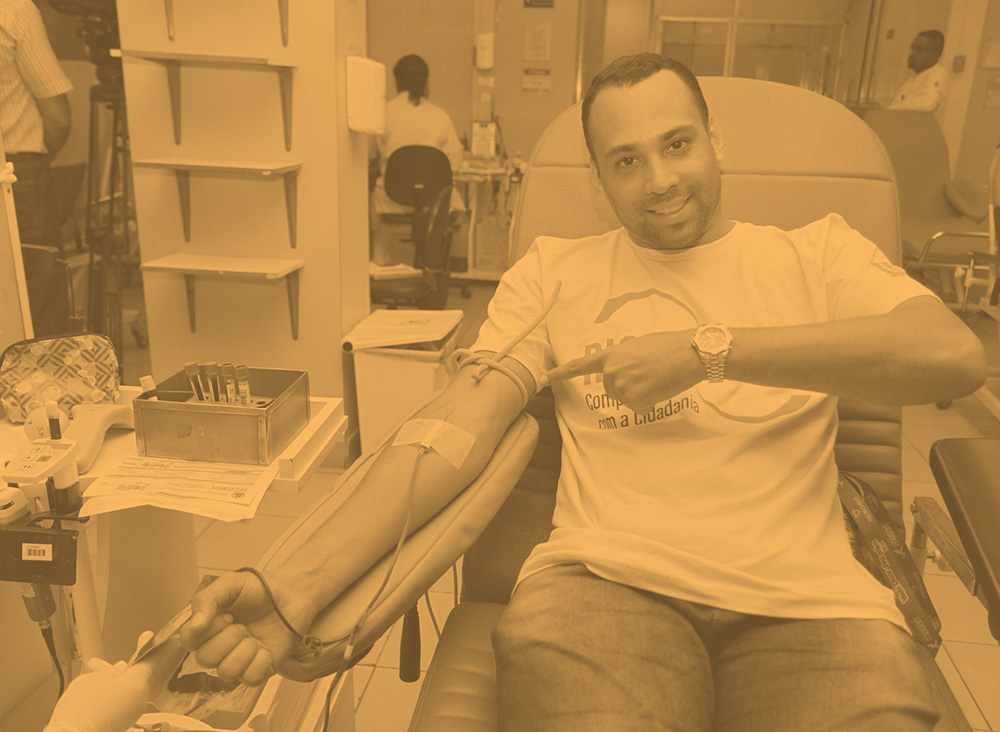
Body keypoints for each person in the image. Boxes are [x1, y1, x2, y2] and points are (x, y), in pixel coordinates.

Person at [180, 54, 986, 731]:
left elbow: (953, 357)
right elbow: (455, 430)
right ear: (599, 181)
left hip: (812, 607)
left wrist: (709, 352)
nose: (660, 181)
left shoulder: (818, 255)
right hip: (604, 592)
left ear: (715, 142)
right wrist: (293, 588)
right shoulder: (555, 273)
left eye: (678, 145)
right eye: (626, 161)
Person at [369, 53, 464, 265]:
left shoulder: (382, 113)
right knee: (447, 204)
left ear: (396, 81)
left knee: (378, 216)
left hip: (391, 202)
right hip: (432, 204)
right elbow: (454, 162)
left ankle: (379, 266)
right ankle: (431, 269)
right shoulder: (440, 116)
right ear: (426, 82)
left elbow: (368, 155)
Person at [0, 0, 72, 246]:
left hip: (15, 170)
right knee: (36, 269)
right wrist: (36, 162)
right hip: (17, 171)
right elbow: (58, 120)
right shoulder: (15, 11)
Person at [888, 30, 949, 113]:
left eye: (919, 49)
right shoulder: (914, 78)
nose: (912, 53)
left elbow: (927, 104)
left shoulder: (938, 74)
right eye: (912, 48)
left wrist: (890, 109)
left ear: (935, 54)